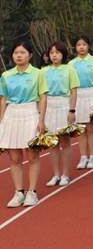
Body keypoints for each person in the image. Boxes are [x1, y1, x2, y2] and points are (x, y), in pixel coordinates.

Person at [0, 42, 48, 207]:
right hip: (11, 114)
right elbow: (3, 99)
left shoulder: (37, 73)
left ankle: (32, 192)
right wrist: (1, 121)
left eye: (22, 52)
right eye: (15, 53)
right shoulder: (6, 75)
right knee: (14, 157)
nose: (19, 55)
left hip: (30, 113)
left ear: (30, 55)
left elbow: (43, 96)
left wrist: (41, 119)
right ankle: (19, 192)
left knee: (32, 155)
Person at [42, 41, 79, 187]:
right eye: (51, 53)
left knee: (64, 141)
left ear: (63, 54)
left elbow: (74, 90)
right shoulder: (43, 71)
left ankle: (65, 174)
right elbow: (41, 94)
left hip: (64, 104)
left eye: (57, 52)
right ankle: (56, 174)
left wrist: (72, 110)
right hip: (49, 106)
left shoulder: (69, 69)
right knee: (52, 143)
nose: (54, 55)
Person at [69, 36, 93, 170]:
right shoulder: (71, 64)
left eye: (84, 44)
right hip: (77, 95)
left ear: (88, 46)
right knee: (80, 129)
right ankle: (84, 156)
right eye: (78, 45)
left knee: (91, 127)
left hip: (91, 94)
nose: (81, 47)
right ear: (75, 47)